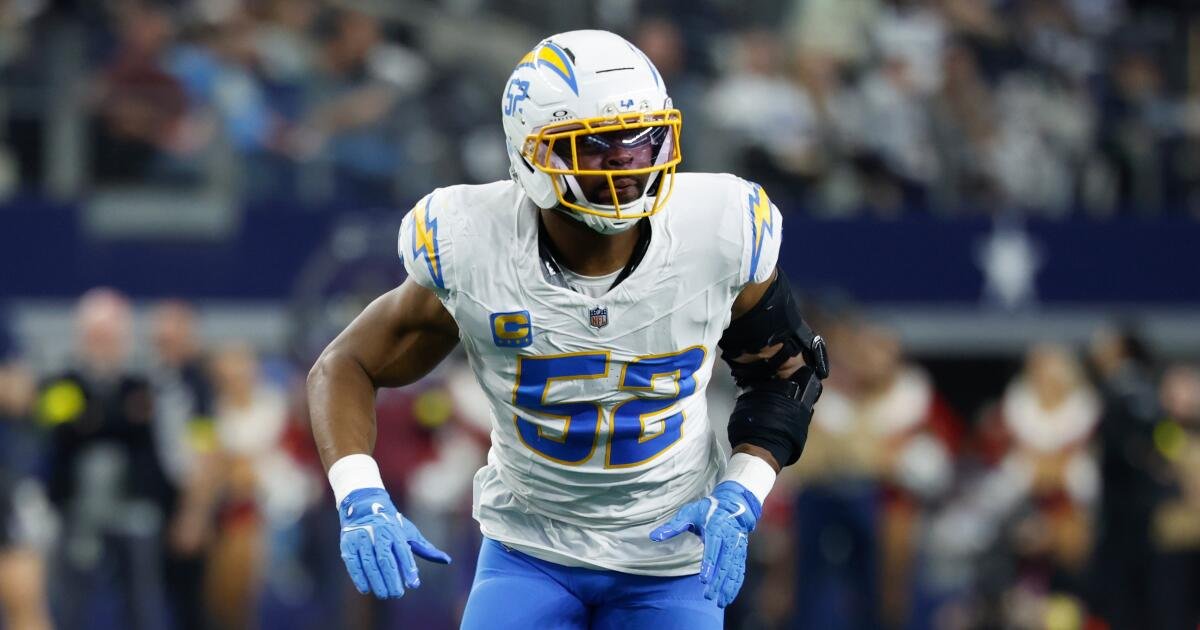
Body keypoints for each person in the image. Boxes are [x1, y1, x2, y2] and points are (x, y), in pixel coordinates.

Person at [307, 29, 829, 629]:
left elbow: (788, 374)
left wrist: (741, 492)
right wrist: (359, 493)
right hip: (529, 550)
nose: (627, 163)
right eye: (597, 145)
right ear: (531, 154)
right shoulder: (471, 242)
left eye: (641, 139)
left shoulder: (719, 228)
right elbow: (345, 364)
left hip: (670, 553)